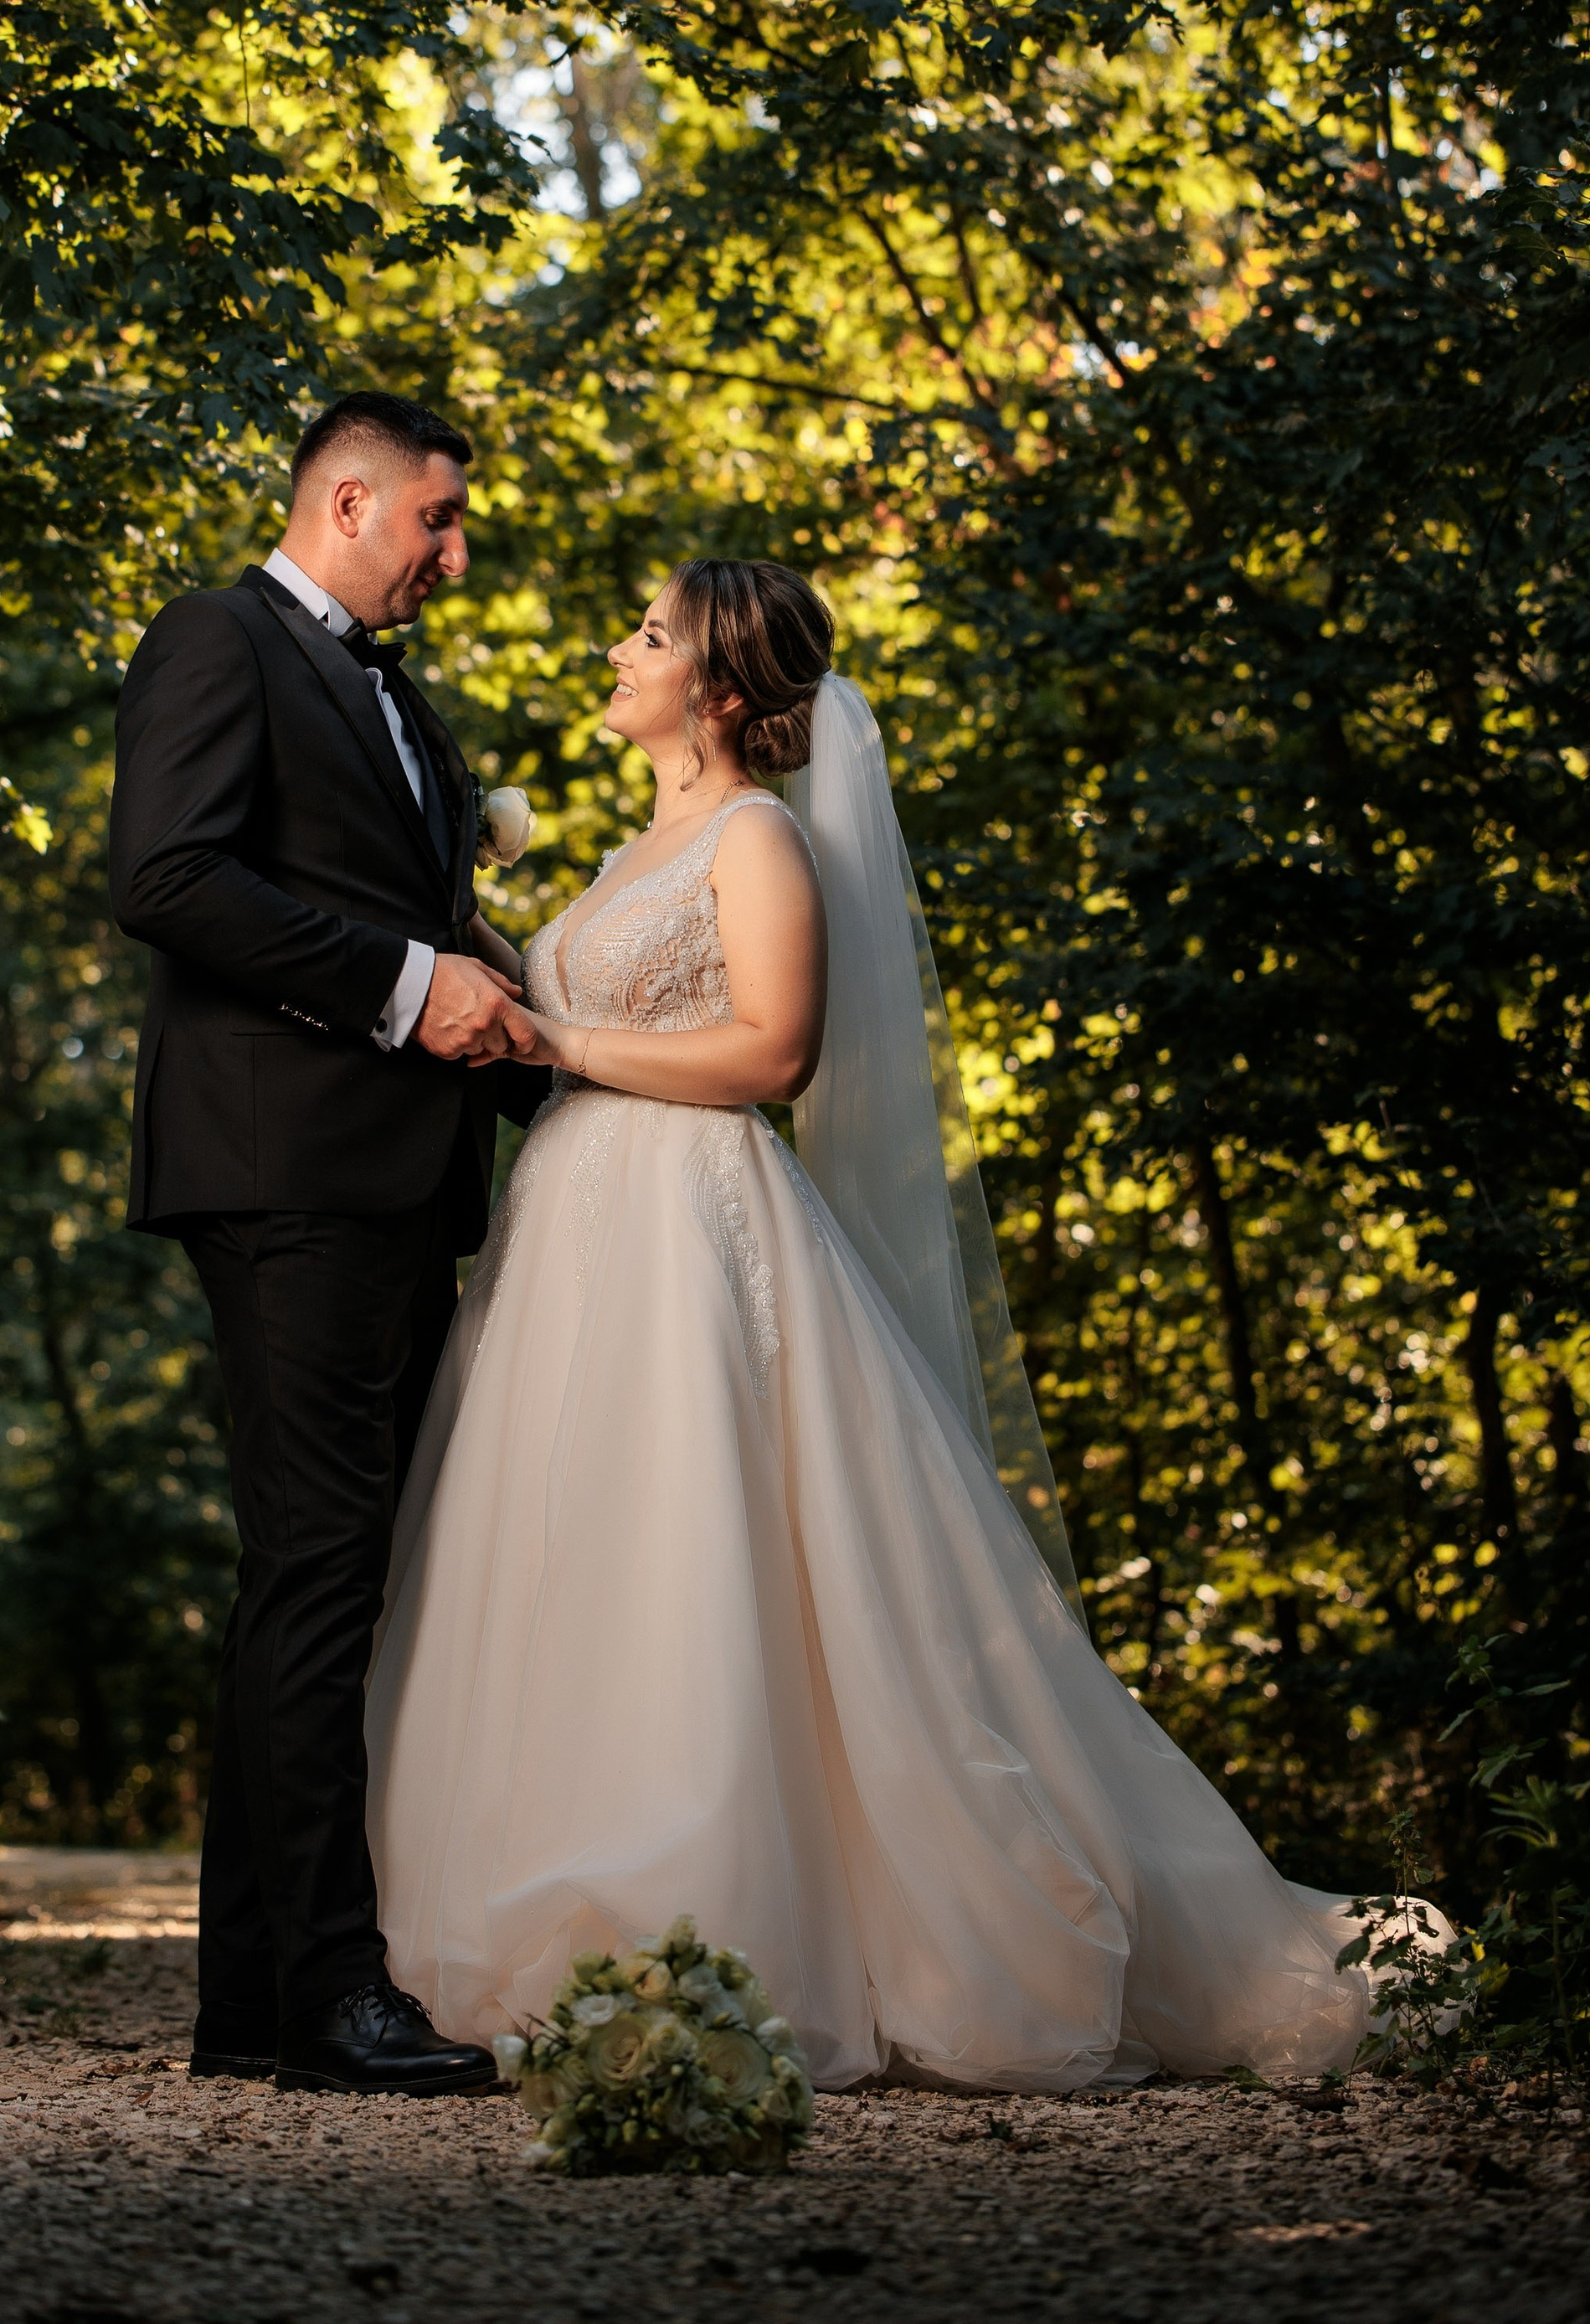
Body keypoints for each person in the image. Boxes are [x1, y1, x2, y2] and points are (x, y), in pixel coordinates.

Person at [368, 559, 1395, 2092]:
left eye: (648, 634)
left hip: (687, 1230)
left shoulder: (758, 836)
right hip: (570, 1227)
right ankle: (555, 1918)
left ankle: (730, 1929)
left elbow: (771, 1053)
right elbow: (605, 1018)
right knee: (572, 1547)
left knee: (699, 1547)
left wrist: (557, 1031)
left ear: (720, 687)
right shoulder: (636, 846)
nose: (618, 650)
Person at [108, 392, 542, 2096]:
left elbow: (413, 917)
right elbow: (167, 877)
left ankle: (251, 2002)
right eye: (438, 519)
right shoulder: (215, 639)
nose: (455, 554)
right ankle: (328, 1998)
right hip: (284, 1168)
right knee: (319, 1570)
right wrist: (409, 985)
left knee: (322, 1572)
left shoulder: (395, 695)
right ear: (348, 502)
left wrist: (552, 1031)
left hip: (395, 1177)